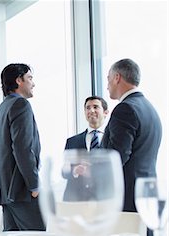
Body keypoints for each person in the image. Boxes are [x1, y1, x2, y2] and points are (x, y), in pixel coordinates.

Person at [0, 63, 45, 231]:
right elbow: (23, 149)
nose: (33, 83)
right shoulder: (21, 105)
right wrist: (33, 185)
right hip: (21, 192)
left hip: (4, 193)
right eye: (30, 78)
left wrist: (5, 176)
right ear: (19, 80)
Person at [102, 58, 162, 213]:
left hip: (127, 200)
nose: (107, 85)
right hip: (147, 196)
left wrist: (92, 170)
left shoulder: (125, 109)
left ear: (117, 78)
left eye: (108, 79)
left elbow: (116, 157)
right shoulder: (150, 109)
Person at [63, 96, 109, 201]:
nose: (91, 110)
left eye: (95, 107)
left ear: (106, 112)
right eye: (88, 108)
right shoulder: (72, 141)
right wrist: (74, 171)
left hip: (103, 198)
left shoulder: (113, 140)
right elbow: (64, 171)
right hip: (76, 199)